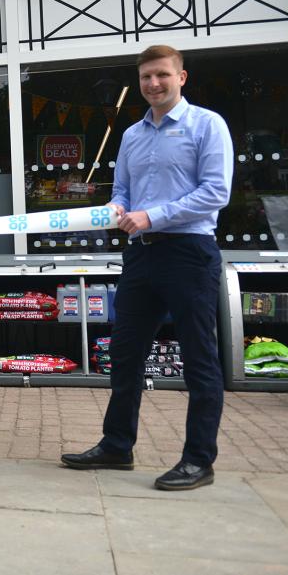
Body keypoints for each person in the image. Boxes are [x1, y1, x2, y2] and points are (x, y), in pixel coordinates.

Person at [61, 45, 234, 491]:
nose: (153, 84)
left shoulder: (207, 125)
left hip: (189, 253)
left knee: (199, 358)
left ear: (182, 77)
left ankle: (199, 460)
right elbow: (121, 191)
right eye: (145, 78)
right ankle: (117, 446)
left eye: (161, 75)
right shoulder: (133, 135)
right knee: (125, 353)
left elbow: (216, 192)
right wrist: (117, 209)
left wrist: (152, 215)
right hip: (140, 255)